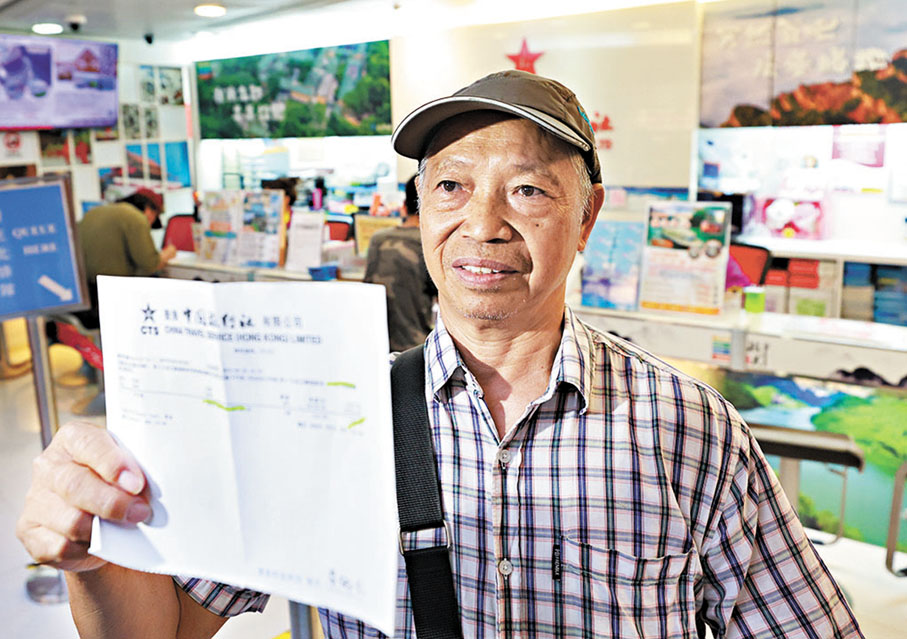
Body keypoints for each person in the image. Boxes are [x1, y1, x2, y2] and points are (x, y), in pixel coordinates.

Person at [17, 70, 863, 638]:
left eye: (527, 188)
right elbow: (162, 629)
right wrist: (92, 557)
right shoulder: (331, 417)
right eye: (451, 185)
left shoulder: (689, 429)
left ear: (587, 215)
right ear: (419, 208)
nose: (482, 223)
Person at [76, 188, 177, 329]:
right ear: (149, 210)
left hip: (83, 300)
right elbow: (150, 264)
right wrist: (168, 253)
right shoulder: (136, 218)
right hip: (110, 303)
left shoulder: (94, 213)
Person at [363, 175, 437, 352]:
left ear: (404, 206)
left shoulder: (378, 239)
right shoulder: (428, 243)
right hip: (416, 348)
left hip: (376, 345)